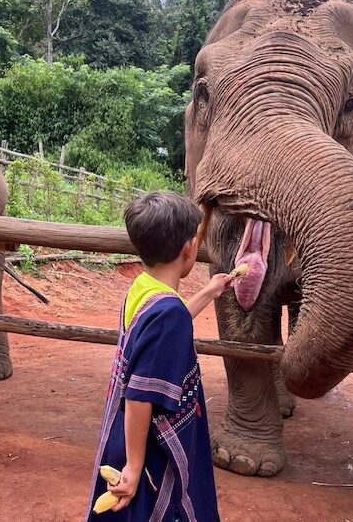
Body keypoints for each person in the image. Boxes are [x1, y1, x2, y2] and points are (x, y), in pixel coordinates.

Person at [86, 191, 234, 522]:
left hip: (128, 437)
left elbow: (171, 318)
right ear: (190, 248)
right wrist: (136, 466)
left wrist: (210, 291)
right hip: (153, 447)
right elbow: (140, 395)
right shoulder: (169, 315)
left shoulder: (144, 290)